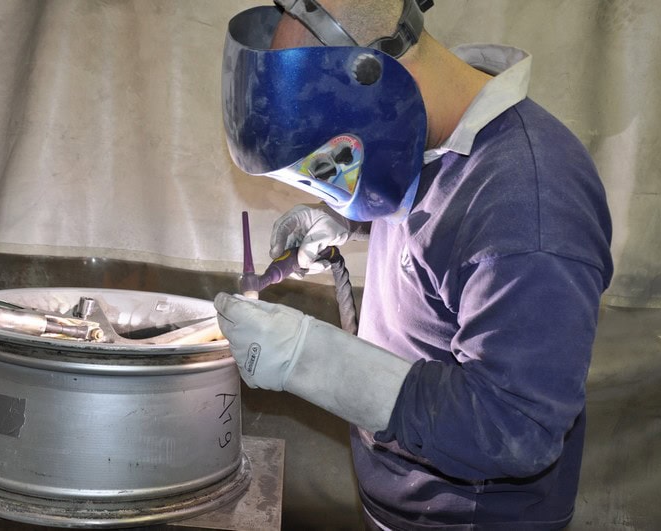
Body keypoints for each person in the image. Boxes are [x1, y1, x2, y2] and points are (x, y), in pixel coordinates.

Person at [215, 0, 613, 528]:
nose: (327, 180)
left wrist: (307, 359)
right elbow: (442, 218)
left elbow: (515, 429)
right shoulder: (431, 135)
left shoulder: (530, 202)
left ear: (376, 82)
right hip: (404, 503)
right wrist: (348, 219)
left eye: (328, 161)